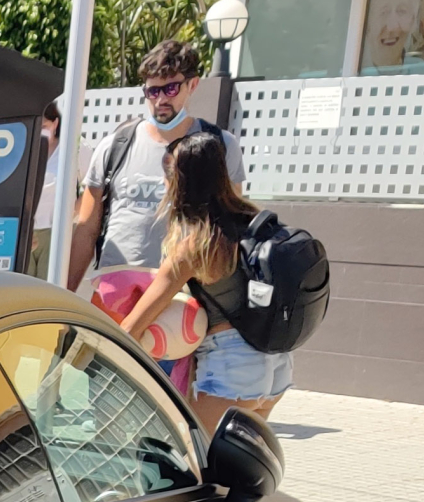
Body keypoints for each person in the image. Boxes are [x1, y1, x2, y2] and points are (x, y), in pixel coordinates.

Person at [113, 128, 292, 430]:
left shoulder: (197, 245)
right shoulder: (258, 224)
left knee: (193, 463)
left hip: (231, 370)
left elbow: (133, 327)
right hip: (276, 365)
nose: (164, 182)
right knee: (237, 473)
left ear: (182, 182)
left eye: (167, 173)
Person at [65, 40, 242, 291]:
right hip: (115, 286)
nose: (160, 100)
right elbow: (86, 229)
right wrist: (65, 299)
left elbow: (230, 226)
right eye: (152, 91)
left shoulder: (220, 147)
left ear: (192, 85)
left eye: (170, 89)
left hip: (185, 291)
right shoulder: (114, 146)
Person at [29, 99, 62, 278]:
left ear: (55, 123)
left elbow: (91, 185)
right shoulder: (25, 148)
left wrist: (69, 214)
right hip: (27, 231)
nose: (40, 131)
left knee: (47, 286)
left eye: (44, 125)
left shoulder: (70, 150)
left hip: (52, 231)